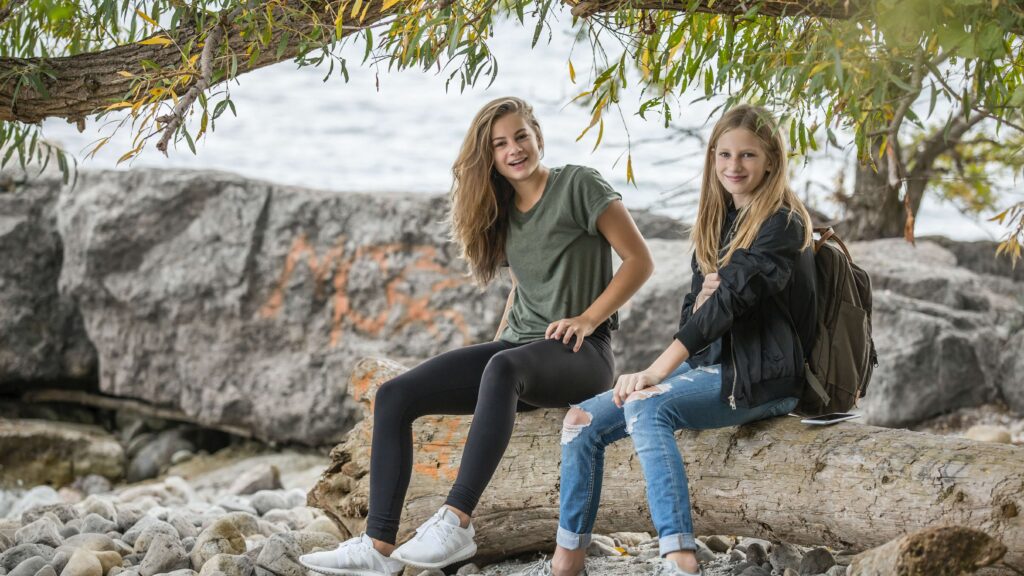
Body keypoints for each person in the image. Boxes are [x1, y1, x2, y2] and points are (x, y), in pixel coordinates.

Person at [299, 96, 654, 576]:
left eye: (521, 137)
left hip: (581, 354)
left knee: (502, 366)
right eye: (499, 144)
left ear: (538, 137)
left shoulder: (579, 185)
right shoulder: (503, 208)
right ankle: (376, 546)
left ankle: (456, 521)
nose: (514, 150)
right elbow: (523, 284)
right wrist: (496, 344)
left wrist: (588, 319)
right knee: (395, 394)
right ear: (488, 156)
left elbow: (639, 261)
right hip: (519, 356)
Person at [545, 104, 817, 576]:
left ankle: (679, 558)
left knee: (647, 405)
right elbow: (697, 309)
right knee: (581, 419)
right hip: (713, 364)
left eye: (748, 155)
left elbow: (729, 303)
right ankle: (567, 560)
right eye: (724, 154)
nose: (734, 166)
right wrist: (707, 298)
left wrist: (657, 369)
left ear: (771, 160)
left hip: (762, 376)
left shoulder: (783, 223)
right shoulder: (717, 220)